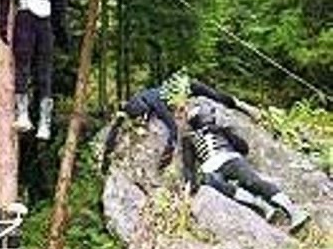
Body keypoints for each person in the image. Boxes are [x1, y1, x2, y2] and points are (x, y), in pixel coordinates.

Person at [182, 103, 310, 232]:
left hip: (230, 158)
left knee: (253, 182)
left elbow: (244, 148)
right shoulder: (189, 138)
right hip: (210, 168)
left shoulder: (221, 129)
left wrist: (225, 132)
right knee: (213, 183)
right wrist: (188, 185)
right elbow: (188, 164)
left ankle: (293, 210)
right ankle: (262, 205)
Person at [102, 68, 258, 173]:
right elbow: (117, 125)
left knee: (215, 96)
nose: (142, 122)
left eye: (142, 117)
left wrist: (166, 156)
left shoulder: (157, 104)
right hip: (176, 90)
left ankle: (240, 105)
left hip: (189, 87)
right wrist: (106, 157)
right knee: (213, 94)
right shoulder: (134, 102)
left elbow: (173, 130)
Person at [0, 0, 68, 140]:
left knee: (45, 70)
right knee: (23, 65)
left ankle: (44, 122)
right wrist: (2, 23)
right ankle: (23, 115)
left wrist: (61, 29)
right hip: (26, 17)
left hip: (45, 20)